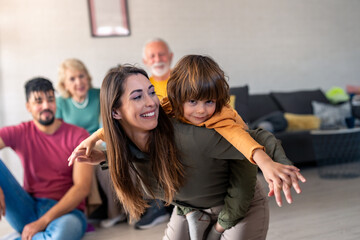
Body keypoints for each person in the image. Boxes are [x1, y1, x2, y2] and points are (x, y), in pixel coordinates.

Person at [69, 65, 305, 239]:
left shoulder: (190, 137)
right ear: (116, 112)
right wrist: (103, 153)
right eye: (138, 97)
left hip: (238, 207)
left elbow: (257, 137)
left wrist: (272, 164)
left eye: (151, 92)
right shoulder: (124, 150)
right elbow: (127, 146)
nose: (151, 102)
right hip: (190, 209)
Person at [0, 77, 93, 239]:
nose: (46, 106)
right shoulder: (20, 132)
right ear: (28, 107)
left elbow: (82, 187)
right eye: (38, 101)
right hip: (27, 208)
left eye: (50, 99)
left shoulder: (78, 135)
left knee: (58, 236)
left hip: (67, 212)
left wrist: (42, 222)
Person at [56, 58, 126, 228]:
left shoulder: (99, 94)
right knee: (81, 160)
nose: (79, 82)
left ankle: (116, 213)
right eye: (72, 79)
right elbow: (58, 134)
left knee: (101, 163)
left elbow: (107, 126)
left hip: (100, 142)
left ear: (87, 77)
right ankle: (89, 212)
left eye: (81, 76)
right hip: (72, 148)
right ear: (64, 84)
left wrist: (95, 144)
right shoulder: (61, 103)